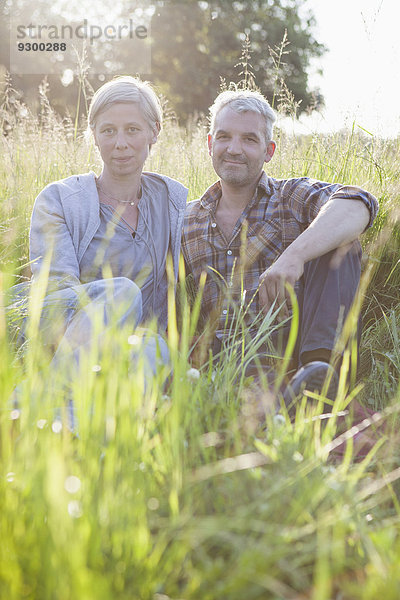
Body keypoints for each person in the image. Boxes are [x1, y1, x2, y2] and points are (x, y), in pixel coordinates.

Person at [181, 89, 379, 412]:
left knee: (343, 242)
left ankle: (322, 382)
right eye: (224, 137)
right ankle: (266, 403)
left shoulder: (289, 197)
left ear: (269, 150)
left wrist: (294, 256)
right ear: (209, 144)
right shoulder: (186, 219)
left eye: (249, 139)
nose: (234, 148)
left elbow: (359, 202)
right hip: (226, 363)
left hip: (291, 353)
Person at [8, 76, 188, 415]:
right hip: (65, 335)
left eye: (132, 130)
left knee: (155, 351)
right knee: (123, 293)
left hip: (137, 343)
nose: (120, 143)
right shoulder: (60, 199)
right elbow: (57, 291)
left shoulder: (174, 201)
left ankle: (71, 432)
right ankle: (35, 400)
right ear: (94, 136)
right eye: (108, 131)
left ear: (155, 132)